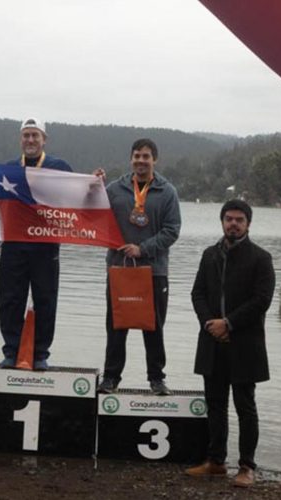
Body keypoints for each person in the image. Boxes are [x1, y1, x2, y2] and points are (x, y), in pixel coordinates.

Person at [185, 199, 275, 488]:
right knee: (215, 405)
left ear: (248, 224)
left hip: (245, 344)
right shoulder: (209, 254)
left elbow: (262, 300)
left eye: (239, 220)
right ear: (222, 221)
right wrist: (210, 324)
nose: (233, 224)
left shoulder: (261, 258)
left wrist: (229, 323)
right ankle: (216, 461)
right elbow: (197, 293)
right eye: (229, 219)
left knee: (245, 406)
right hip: (212, 341)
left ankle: (247, 466)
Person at [93, 138, 181, 396]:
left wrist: (142, 249)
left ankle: (157, 379)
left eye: (146, 156)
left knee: (153, 327)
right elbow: (93, 213)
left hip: (154, 271)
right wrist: (94, 186)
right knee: (116, 327)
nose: (141, 161)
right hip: (119, 269)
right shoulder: (114, 189)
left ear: (155, 160)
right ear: (131, 159)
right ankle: (111, 378)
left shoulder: (167, 192)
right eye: (137, 156)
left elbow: (172, 230)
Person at [0, 118, 72, 370]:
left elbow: (77, 194)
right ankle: (11, 350)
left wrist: (95, 182)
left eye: (35, 135)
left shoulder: (59, 167)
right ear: (21, 139)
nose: (30, 140)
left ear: (44, 139)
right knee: (10, 299)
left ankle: (40, 353)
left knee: (45, 299)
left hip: (45, 244)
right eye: (26, 135)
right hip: (14, 244)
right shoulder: (9, 168)